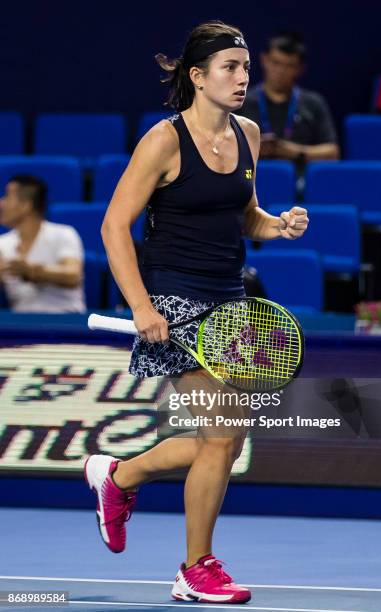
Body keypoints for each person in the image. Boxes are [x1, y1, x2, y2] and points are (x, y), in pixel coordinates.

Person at [84, 21, 308, 604]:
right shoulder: (163, 140)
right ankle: (195, 569)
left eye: (244, 68)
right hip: (173, 299)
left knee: (225, 442)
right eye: (229, 68)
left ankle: (120, 476)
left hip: (229, 302)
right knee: (222, 436)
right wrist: (141, 306)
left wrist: (277, 226)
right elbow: (113, 226)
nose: (241, 78)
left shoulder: (249, 133)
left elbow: (245, 215)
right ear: (197, 76)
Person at [236, 33, 339, 165]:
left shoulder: (314, 103)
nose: (280, 71)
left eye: (289, 66)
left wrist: (294, 152)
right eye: (276, 63)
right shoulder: (240, 101)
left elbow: (332, 153)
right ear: (264, 60)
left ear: (300, 69)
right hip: (251, 177)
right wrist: (251, 147)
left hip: (300, 179)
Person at [0, 175, 85, 313]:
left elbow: (73, 275)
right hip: (21, 326)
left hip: (66, 320)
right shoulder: (2, 244)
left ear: (25, 205)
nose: (1, 203)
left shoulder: (64, 234)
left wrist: (33, 272)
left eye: (7, 196)